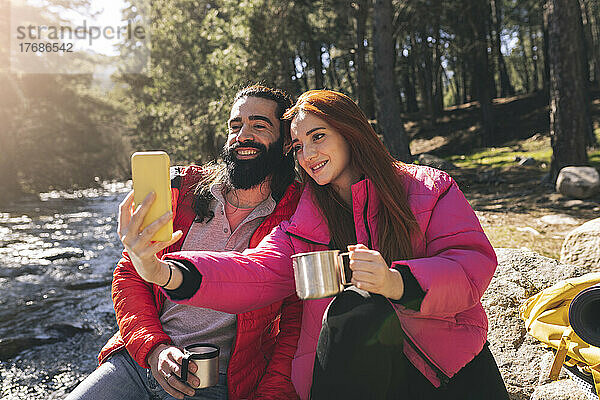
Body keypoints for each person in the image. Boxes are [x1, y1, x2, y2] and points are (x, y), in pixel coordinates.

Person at [124, 89, 509, 399]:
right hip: (353, 373)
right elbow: (255, 271)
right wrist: (165, 272)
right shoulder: (305, 218)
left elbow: (471, 267)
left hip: (448, 362)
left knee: (366, 305)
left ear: (350, 131)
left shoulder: (427, 189)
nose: (307, 155)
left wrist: (395, 282)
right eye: (297, 146)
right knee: (358, 310)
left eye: (317, 136)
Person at [66, 85, 303, 400]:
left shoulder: (297, 214)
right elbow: (130, 274)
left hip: (212, 378)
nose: (243, 135)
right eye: (235, 126)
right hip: (141, 359)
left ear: (286, 142)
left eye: (259, 126)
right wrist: (154, 349)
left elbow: (295, 326)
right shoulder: (182, 191)